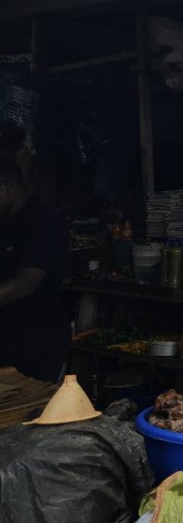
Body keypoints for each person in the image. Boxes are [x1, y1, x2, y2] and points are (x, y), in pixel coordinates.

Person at [0, 155, 70, 382]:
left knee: (34, 409)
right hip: (5, 337)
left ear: (7, 186)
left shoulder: (44, 221)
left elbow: (26, 283)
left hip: (36, 341)